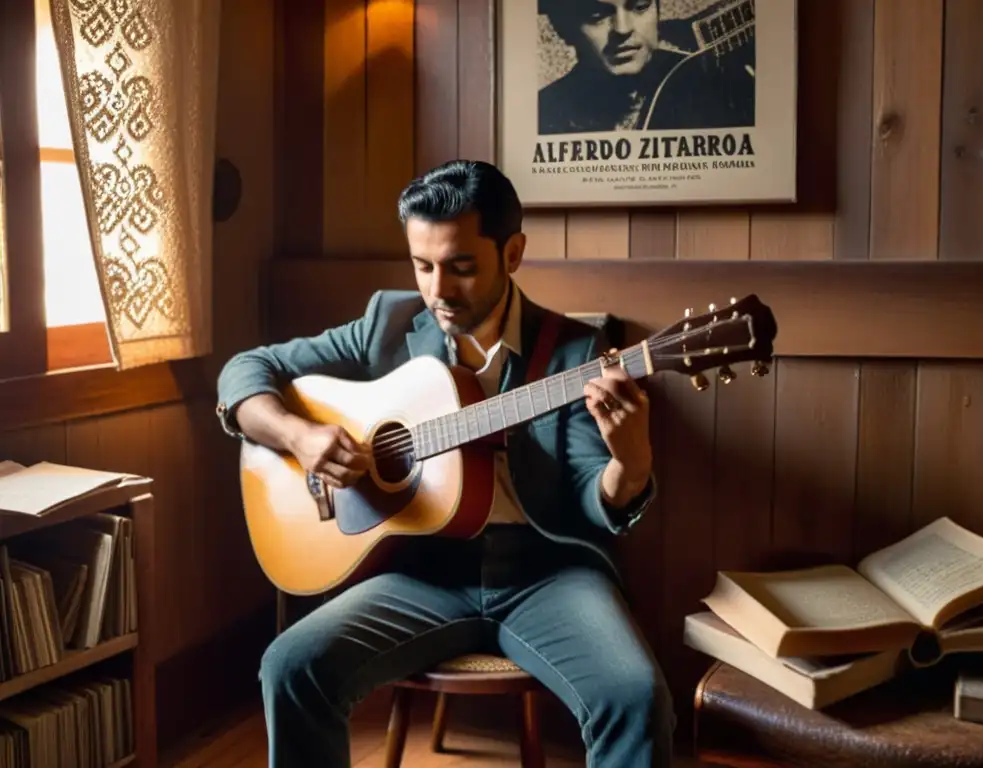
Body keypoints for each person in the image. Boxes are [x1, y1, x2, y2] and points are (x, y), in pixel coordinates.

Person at [215, 159, 674, 766]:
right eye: (422, 265)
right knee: (290, 667)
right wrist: (298, 435)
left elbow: (596, 494)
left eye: (460, 267)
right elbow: (243, 372)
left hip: (545, 574)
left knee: (635, 697)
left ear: (512, 253)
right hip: (419, 574)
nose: (437, 290)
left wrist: (631, 463)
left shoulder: (573, 351)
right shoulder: (389, 323)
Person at [538, 0, 755, 134]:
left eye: (640, 6)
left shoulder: (718, 86)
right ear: (562, 28)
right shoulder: (543, 114)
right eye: (596, 15)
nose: (623, 29)